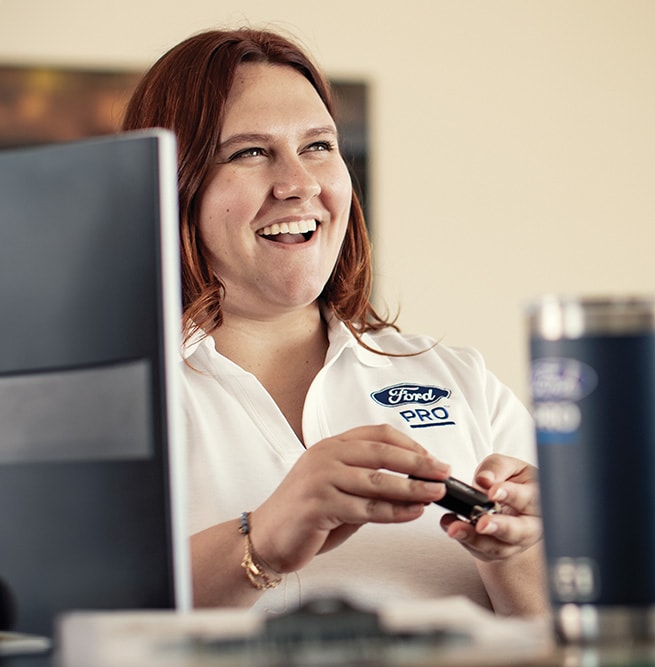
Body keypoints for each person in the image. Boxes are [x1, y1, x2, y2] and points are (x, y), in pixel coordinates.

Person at [121, 27, 547, 617]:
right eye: (250, 152)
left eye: (319, 146)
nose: (299, 184)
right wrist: (263, 540)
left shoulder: (460, 380)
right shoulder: (111, 399)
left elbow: (578, 637)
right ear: (174, 185)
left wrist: (518, 552)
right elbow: (70, 623)